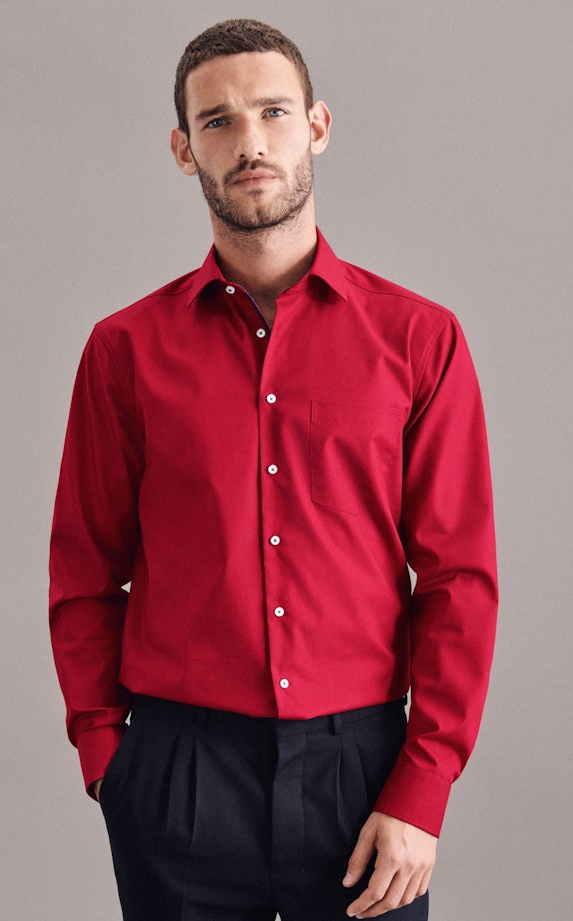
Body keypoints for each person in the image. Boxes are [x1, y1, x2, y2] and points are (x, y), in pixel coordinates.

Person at [49, 18, 497, 921]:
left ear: (317, 126)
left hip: (362, 772)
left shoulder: (420, 339)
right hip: (178, 775)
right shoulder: (124, 351)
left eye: (273, 111)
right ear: (184, 149)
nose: (249, 141)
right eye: (217, 121)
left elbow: (459, 578)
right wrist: (108, 755)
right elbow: (85, 569)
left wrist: (424, 784)